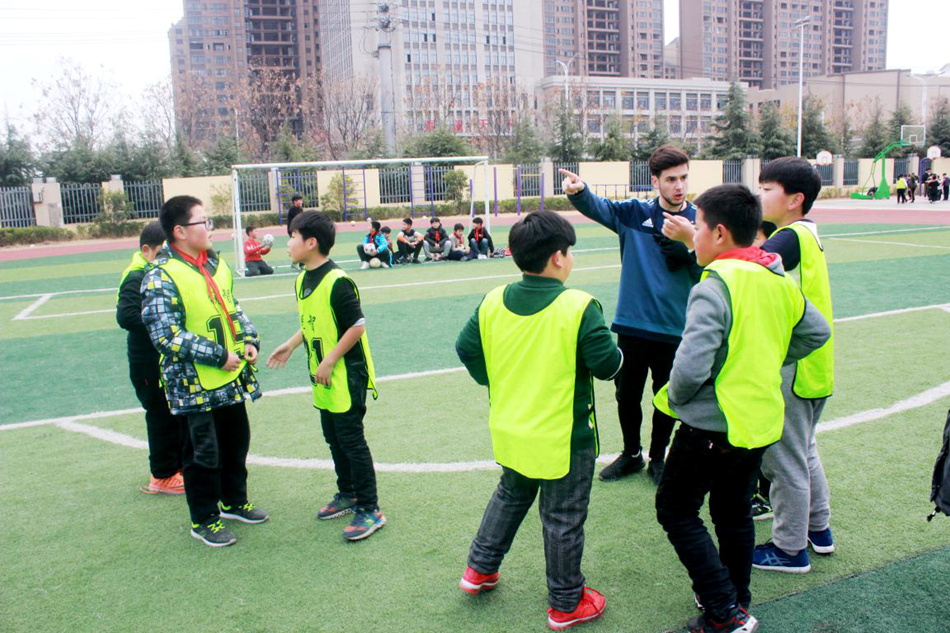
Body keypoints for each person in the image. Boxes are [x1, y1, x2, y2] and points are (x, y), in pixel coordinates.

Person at [652, 184, 830, 633]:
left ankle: (723, 611)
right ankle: (736, 597)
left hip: (711, 424)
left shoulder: (716, 284)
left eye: (698, 227)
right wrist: (765, 359)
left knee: (675, 509)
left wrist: (678, 399)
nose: (693, 236)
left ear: (719, 233)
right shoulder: (777, 278)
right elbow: (817, 332)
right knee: (732, 512)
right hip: (760, 421)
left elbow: (689, 368)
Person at [455, 210, 622, 631]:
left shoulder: (493, 300)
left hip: (511, 429)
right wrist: (621, 352)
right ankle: (566, 602)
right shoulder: (578, 306)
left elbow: (466, 348)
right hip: (563, 438)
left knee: (511, 494)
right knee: (563, 517)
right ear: (558, 257)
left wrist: (492, 380)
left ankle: (479, 569)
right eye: (570, 252)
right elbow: (607, 365)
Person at [561, 145, 702, 485]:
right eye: (671, 179)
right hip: (632, 325)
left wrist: (690, 251)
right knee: (626, 395)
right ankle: (631, 453)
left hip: (676, 328)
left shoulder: (701, 221)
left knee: (666, 398)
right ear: (655, 181)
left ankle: (658, 458)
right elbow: (599, 207)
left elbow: (716, 270)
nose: (679, 186)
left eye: (683, 178)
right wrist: (579, 192)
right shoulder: (634, 213)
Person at [142, 195, 268, 548]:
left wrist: (248, 339)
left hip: (230, 378)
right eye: (203, 222)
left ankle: (234, 501)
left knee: (236, 442)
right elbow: (165, 335)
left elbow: (232, 308)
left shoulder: (215, 264)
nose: (210, 228)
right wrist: (218, 355)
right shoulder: (160, 275)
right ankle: (204, 519)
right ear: (180, 231)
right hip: (193, 384)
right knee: (202, 454)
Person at [267, 211, 385, 541]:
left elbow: (357, 326)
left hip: (346, 374)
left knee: (351, 441)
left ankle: (371, 509)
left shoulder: (338, 281)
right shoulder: (301, 279)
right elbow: (312, 322)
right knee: (333, 437)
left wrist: (331, 360)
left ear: (311, 242)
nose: (288, 243)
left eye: (292, 236)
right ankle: (348, 493)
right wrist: (291, 344)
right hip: (322, 374)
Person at [116, 221, 184, 495]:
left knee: (174, 412)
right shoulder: (137, 275)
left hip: (165, 357)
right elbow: (126, 316)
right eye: (162, 252)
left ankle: (178, 467)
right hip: (147, 361)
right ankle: (162, 475)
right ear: (147, 250)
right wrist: (163, 323)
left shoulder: (163, 272)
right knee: (159, 415)